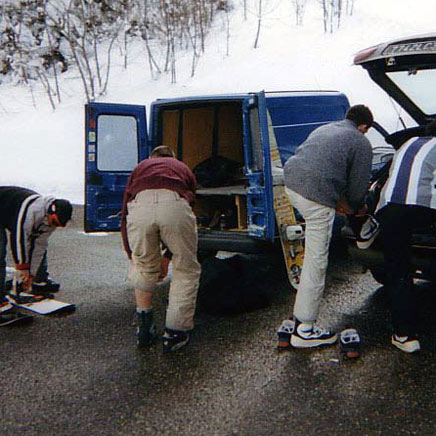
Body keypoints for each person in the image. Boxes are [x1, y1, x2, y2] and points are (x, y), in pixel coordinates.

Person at [277, 105, 374, 349]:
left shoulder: (327, 128)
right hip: (315, 196)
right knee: (316, 261)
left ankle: (299, 316)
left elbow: (319, 167)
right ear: (364, 127)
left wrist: (339, 202)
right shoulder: (360, 142)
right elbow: (357, 188)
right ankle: (305, 329)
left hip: (291, 184)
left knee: (312, 253)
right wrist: (356, 208)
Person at [121, 145, 201, 352]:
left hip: (140, 207)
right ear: (172, 157)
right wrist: (168, 255)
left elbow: (124, 213)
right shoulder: (181, 167)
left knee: (144, 267)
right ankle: (175, 333)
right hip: (175, 204)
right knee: (186, 269)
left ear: (152, 158)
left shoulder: (140, 167)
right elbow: (191, 204)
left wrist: (133, 255)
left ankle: (144, 328)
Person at [375, 119, 436, 353]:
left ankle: (405, 336)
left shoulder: (406, 143)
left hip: (390, 210)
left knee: (399, 270)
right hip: (423, 210)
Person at [0, 186, 73, 325]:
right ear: (51, 211)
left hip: (8, 213)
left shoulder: (50, 219)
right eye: (54, 222)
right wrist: (22, 268)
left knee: (37, 250)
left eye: (57, 225)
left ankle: (36, 282)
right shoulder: (32, 211)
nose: (54, 226)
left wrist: (31, 274)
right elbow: (19, 239)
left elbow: (39, 246)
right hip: (6, 208)